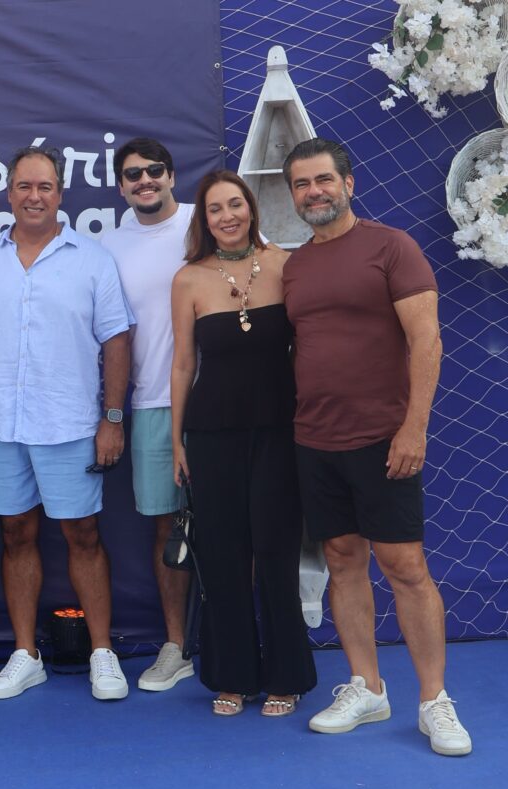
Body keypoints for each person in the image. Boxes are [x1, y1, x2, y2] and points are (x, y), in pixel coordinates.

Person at [281, 138, 472, 755]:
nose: (314, 192)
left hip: (384, 440)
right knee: (342, 559)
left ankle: (434, 700)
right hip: (315, 440)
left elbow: (427, 341)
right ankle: (367, 687)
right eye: (302, 184)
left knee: (405, 567)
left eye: (323, 180)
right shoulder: (294, 267)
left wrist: (414, 428)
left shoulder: (393, 247)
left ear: (349, 183)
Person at [0, 144, 134, 701]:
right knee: (15, 534)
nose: (35, 196)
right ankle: (26, 654)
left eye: (45, 187)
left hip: (70, 423)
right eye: (25, 186)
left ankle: (102, 653)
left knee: (83, 535)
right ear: (9, 193)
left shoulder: (92, 259)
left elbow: (117, 339)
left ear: (60, 194)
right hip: (1, 425)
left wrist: (112, 418)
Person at [170, 169, 317, 717]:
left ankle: (286, 676)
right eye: (215, 208)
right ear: (204, 220)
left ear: (251, 209)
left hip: (280, 431)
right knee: (223, 556)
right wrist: (177, 441)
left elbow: (308, 348)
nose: (227, 216)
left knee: (276, 554)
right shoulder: (188, 279)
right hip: (211, 435)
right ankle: (231, 675)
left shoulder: (286, 264)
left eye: (235, 204)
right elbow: (182, 364)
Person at [101, 137, 195, 692]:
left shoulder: (206, 221)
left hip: (221, 402)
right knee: (168, 528)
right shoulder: (108, 246)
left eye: (154, 170)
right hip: (153, 404)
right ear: (121, 187)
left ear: (171, 175)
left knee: (237, 522)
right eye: (133, 174)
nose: (145, 180)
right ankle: (176, 646)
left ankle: (239, 639)